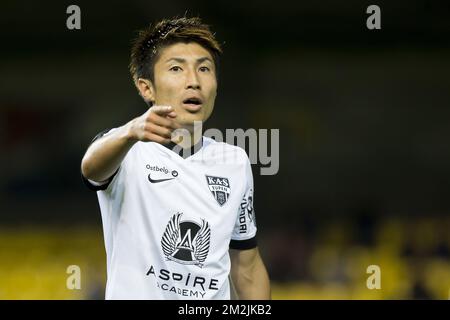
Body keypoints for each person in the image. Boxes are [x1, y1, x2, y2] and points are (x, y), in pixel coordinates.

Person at [81, 16, 271, 300]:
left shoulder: (235, 162)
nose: (193, 81)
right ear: (147, 88)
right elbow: (91, 168)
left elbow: (247, 267)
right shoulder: (127, 150)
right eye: (176, 68)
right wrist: (130, 132)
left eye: (204, 69)